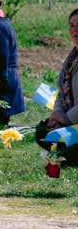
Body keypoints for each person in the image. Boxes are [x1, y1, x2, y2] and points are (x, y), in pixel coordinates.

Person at [36, 9, 78, 154]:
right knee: (42, 131)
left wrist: (66, 119)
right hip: (70, 121)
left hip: (73, 119)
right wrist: (56, 115)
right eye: (72, 26)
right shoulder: (71, 59)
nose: (75, 30)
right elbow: (61, 93)